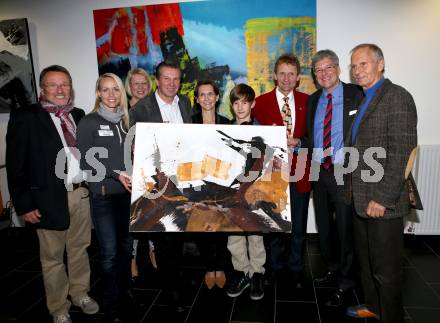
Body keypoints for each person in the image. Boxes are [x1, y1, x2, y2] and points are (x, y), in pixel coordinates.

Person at [6, 65, 99, 323]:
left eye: (65, 84)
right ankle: (59, 308)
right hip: (46, 200)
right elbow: (15, 166)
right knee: (52, 257)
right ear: (42, 89)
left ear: (71, 88)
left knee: (80, 249)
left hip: (80, 195)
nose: (60, 90)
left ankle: (80, 293)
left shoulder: (79, 115)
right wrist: (24, 204)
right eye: (53, 85)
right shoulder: (25, 117)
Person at [345, 44, 418, 322]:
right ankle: (373, 308)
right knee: (367, 266)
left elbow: (402, 152)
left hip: (382, 203)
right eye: (354, 66)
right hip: (361, 199)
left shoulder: (397, 97)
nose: (358, 70)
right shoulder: (365, 99)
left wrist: (383, 198)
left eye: (363, 64)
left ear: (380, 64)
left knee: (386, 273)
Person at [129, 60, 192, 312]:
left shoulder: (185, 103)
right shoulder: (141, 109)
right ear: (158, 80)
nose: (172, 84)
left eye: (176, 79)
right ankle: (171, 289)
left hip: (183, 179)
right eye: (167, 78)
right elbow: (135, 147)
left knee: (179, 233)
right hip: (156, 182)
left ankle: (175, 275)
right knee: (163, 237)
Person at [306, 50, 363, 306]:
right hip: (319, 170)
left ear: (339, 69)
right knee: (324, 225)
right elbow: (312, 137)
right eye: (318, 70)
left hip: (344, 170)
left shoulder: (356, 94)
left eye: (328, 67)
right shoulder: (313, 100)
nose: (323, 73)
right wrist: (298, 142)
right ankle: (332, 266)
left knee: (345, 228)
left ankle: (348, 278)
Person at [77, 73, 133, 323]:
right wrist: (116, 173)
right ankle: (111, 305)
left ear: (122, 93)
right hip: (103, 197)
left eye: (116, 90)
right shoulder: (89, 122)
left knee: (125, 249)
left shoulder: (125, 122)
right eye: (106, 90)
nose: (111, 95)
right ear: (98, 93)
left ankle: (124, 293)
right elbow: (87, 160)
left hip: (127, 196)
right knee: (109, 253)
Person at [252, 53, 311, 288]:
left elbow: (314, 136)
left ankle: (296, 267)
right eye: (282, 73)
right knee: (274, 222)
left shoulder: (309, 102)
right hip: (272, 175)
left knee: (298, 224)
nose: (286, 78)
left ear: (298, 78)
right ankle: (275, 267)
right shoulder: (261, 102)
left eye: (291, 74)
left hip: (301, 172)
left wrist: (300, 141)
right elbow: (254, 139)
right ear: (275, 76)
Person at [226, 83, 265, 301]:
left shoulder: (262, 132)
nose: (240, 107)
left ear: (253, 104)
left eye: (245, 102)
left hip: (254, 191)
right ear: (232, 106)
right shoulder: (224, 131)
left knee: (256, 234)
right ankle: (242, 273)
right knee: (234, 235)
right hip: (231, 191)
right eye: (236, 102)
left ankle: (257, 273)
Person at [192, 80, 231, 289]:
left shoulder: (227, 123)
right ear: (197, 99)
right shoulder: (189, 124)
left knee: (221, 227)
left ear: (217, 97)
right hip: (197, 183)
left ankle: (221, 267)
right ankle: (209, 267)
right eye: (202, 95)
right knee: (202, 228)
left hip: (221, 182)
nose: (207, 98)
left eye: (210, 94)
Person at [124, 67, 152, 280]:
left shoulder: (153, 109)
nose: (140, 87)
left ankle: (154, 252)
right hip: (129, 171)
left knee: (152, 214)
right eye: (136, 83)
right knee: (132, 217)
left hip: (151, 170)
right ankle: (131, 259)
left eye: (144, 83)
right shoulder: (122, 110)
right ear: (129, 86)